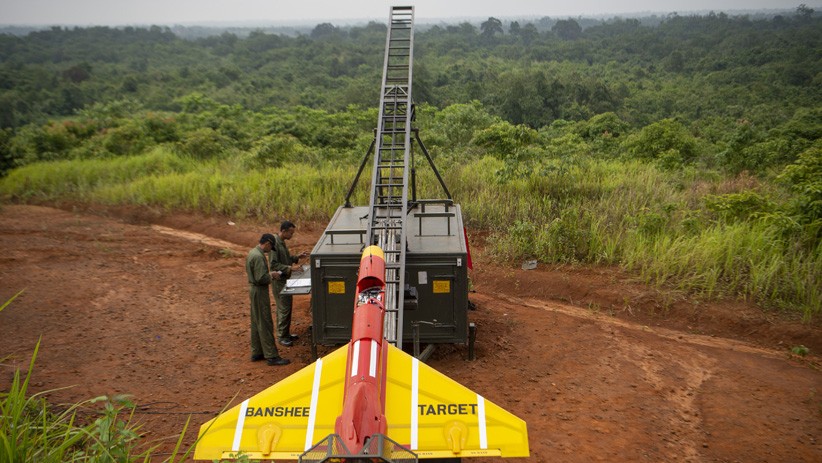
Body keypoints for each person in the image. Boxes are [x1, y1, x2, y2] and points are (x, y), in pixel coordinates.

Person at [246, 233, 290, 366]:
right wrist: (272, 275)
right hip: (259, 291)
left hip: (254, 290)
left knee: (256, 321)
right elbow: (261, 278)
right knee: (265, 322)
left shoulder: (252, 252)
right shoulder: (259, 257)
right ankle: (272, 356)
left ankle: (257, 351)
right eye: (270, 247)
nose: (270, 251)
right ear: (267, 243)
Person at [269, 220, 309, 346]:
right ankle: (281, 336)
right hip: (279, 281)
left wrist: (297, 257)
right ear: (284, 231)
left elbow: (285, 259)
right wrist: (289, 268)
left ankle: (286, 334)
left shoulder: (281, 243)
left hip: (284, 279)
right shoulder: (275, 245)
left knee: (287, 307)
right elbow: (274, 264)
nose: (292, 235)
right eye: (290, 233)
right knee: (283, 308)